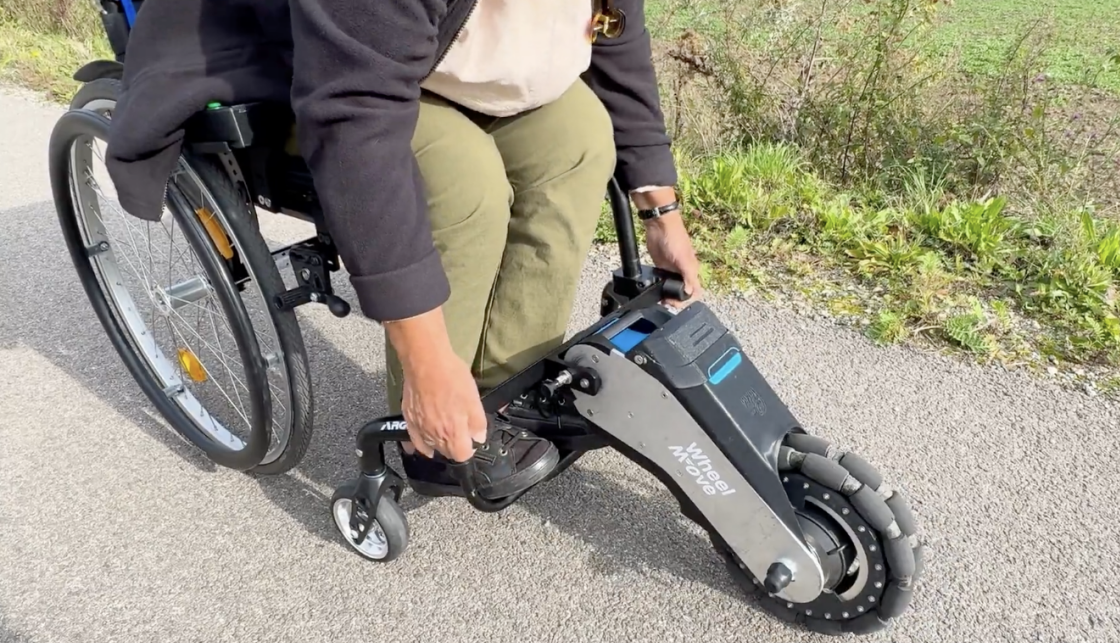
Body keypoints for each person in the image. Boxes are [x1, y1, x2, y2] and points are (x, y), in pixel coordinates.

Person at [104, 0, 704, 500]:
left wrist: (662, 212)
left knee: (578, 140)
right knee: (465, 185)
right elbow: (353, 117)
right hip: (322, 63)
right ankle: (429, 436)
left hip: (447, 46)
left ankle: (506, 387)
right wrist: (425, 363)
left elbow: (616, 30)